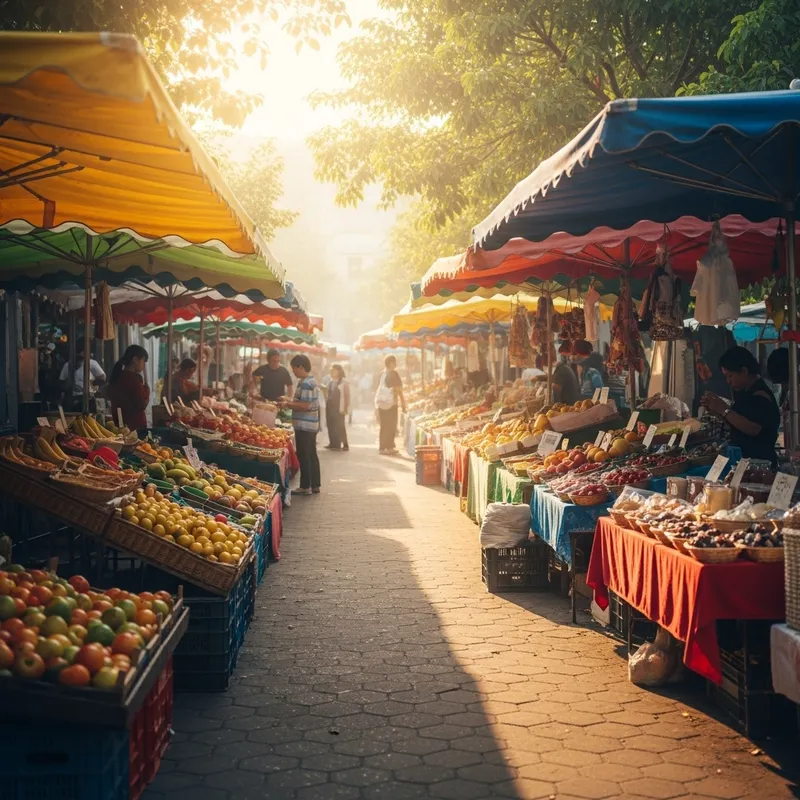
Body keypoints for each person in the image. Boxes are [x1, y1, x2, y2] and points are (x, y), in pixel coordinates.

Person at [702, 346, 780, 467]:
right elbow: (738, 423)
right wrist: (717, 410)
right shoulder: (745, 392)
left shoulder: (760, 395)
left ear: (744, 371)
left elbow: (753, 428)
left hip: (759, 464)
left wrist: (723, 409)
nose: (728, 381)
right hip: (744, 461)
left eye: (730, 376)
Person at [281, 355, 321, 495]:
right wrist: (289, 400)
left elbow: (304, 405)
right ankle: (315, 485)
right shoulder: (309, 381)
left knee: (305, 455)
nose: (294, 372)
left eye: (294, 369)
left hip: (305, 425)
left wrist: (288, 404)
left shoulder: (306, 383)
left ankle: (305, 486)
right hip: (310, 425)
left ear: (301, 367)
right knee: (311, 454)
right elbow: (302, 401)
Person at [107, 345, 150, 435]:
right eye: (143, 360)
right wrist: (147, 389)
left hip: (119, 424)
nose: (144, 365)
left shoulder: (117, 376)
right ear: (135, 360)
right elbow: (142, 404)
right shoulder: (132, 379)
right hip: (134, 428)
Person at [59, 341, 106, 409]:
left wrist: (93, 385)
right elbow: (62, 382)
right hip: (72, 398)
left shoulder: (92, 363)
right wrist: (70, 387)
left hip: (88, 397)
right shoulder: (68, 365)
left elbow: (102, 377)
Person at [375, 355, 406, 455]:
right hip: (391, 403)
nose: (395, 364)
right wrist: (403, 403)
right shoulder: (393, 373)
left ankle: (382, 448)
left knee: (384, 426)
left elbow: (378, 388)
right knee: (391, 425)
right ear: (391, 363)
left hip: (381, 403)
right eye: (394, 362)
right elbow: (398, 390)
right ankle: (389, 447)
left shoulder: (382, 373)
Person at [325, 364, 350, 451]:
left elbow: (346, 396)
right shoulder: (331, 382)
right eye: (331, 370)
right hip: (330, 406)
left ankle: (345, 444)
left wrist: (346, 408)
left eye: (334, 370)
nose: (332, 372)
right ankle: (333, 443)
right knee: (331, 425)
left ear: (339, 371)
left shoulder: (343, 383)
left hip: (339, 407)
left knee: (340, 426)